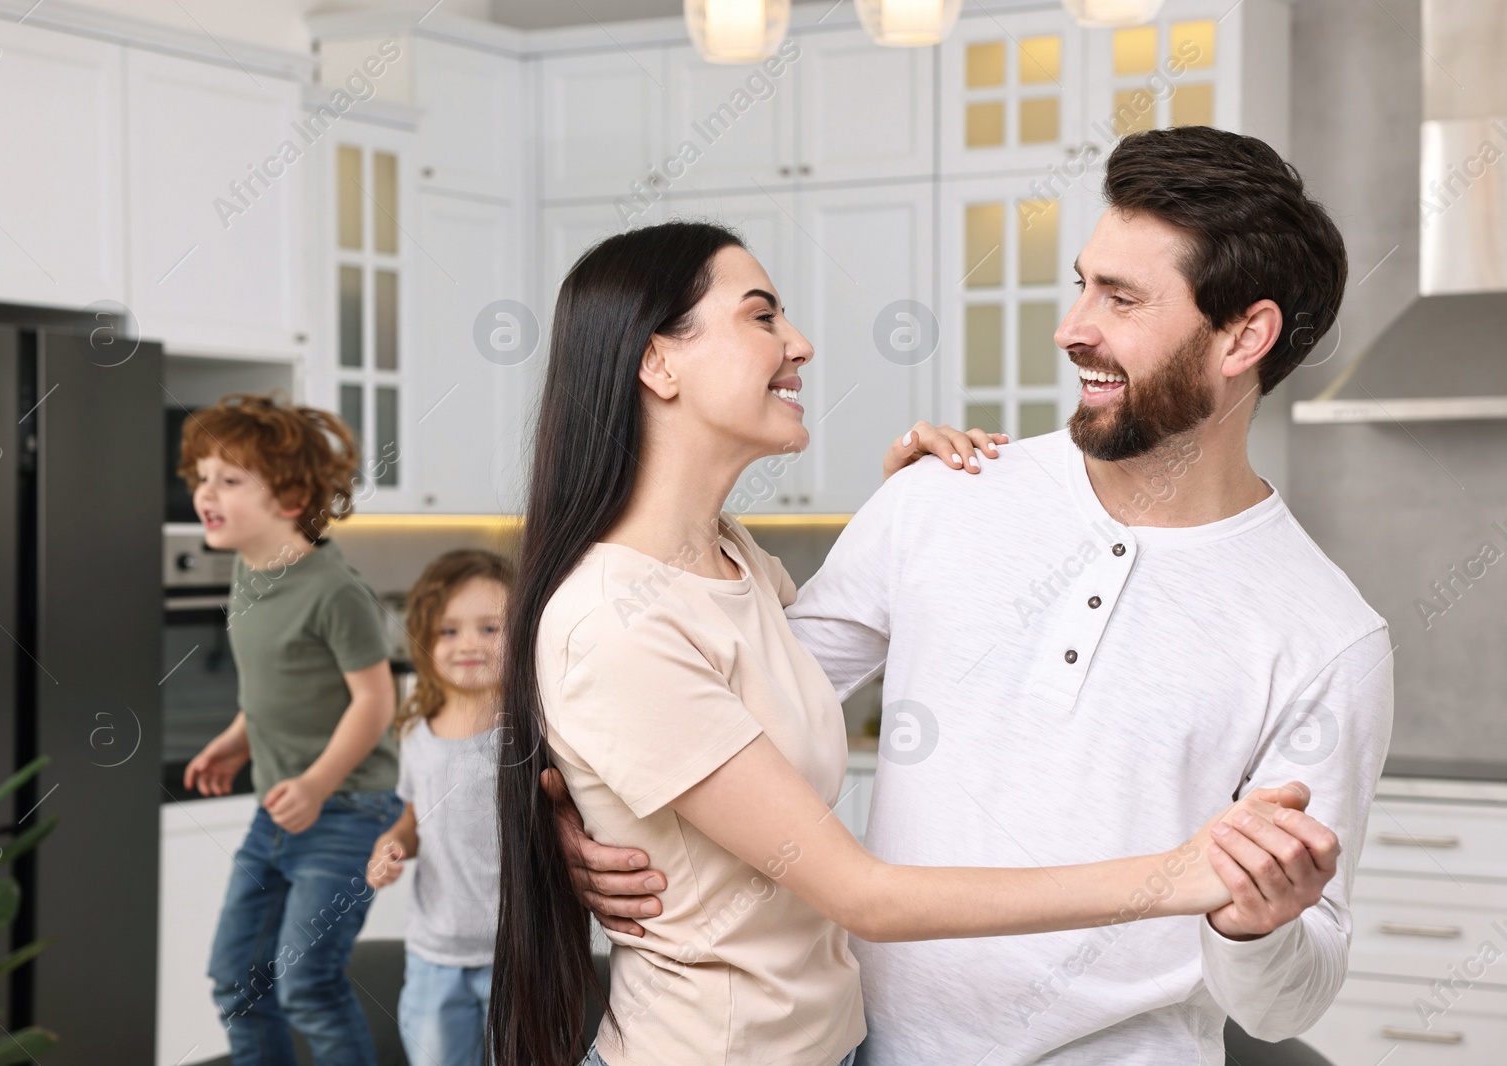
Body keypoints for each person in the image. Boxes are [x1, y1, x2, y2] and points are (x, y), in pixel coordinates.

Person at [565, 126, 1394, 1065]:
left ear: (1246, 335)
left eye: (1120, 298)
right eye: (1082, 282)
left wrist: (1259, 925)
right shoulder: (943, 495)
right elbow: (732, 706)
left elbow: (1294, 998)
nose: (1073, 325)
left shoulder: (1330, 635)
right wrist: (590, 813)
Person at [180, 393, 402, 1066]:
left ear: (293, 498)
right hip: (277, 811)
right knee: (236, 980)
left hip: (347, 812)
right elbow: (277, 685)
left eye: (229, 479)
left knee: (307, 983)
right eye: (201, 476)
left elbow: (374, 702)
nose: (204, 492)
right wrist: (236, 739)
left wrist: (315, 783)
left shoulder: (336, 592)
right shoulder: (248, 572)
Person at [366, 549, 513, 1066]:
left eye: (490, 628)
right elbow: (413, 818)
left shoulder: (532, 734)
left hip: (518, 959)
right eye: (449, 631)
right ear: (425, 640)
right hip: (435, 957)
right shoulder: (416, 734)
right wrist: (393, 844)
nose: (468, 644)